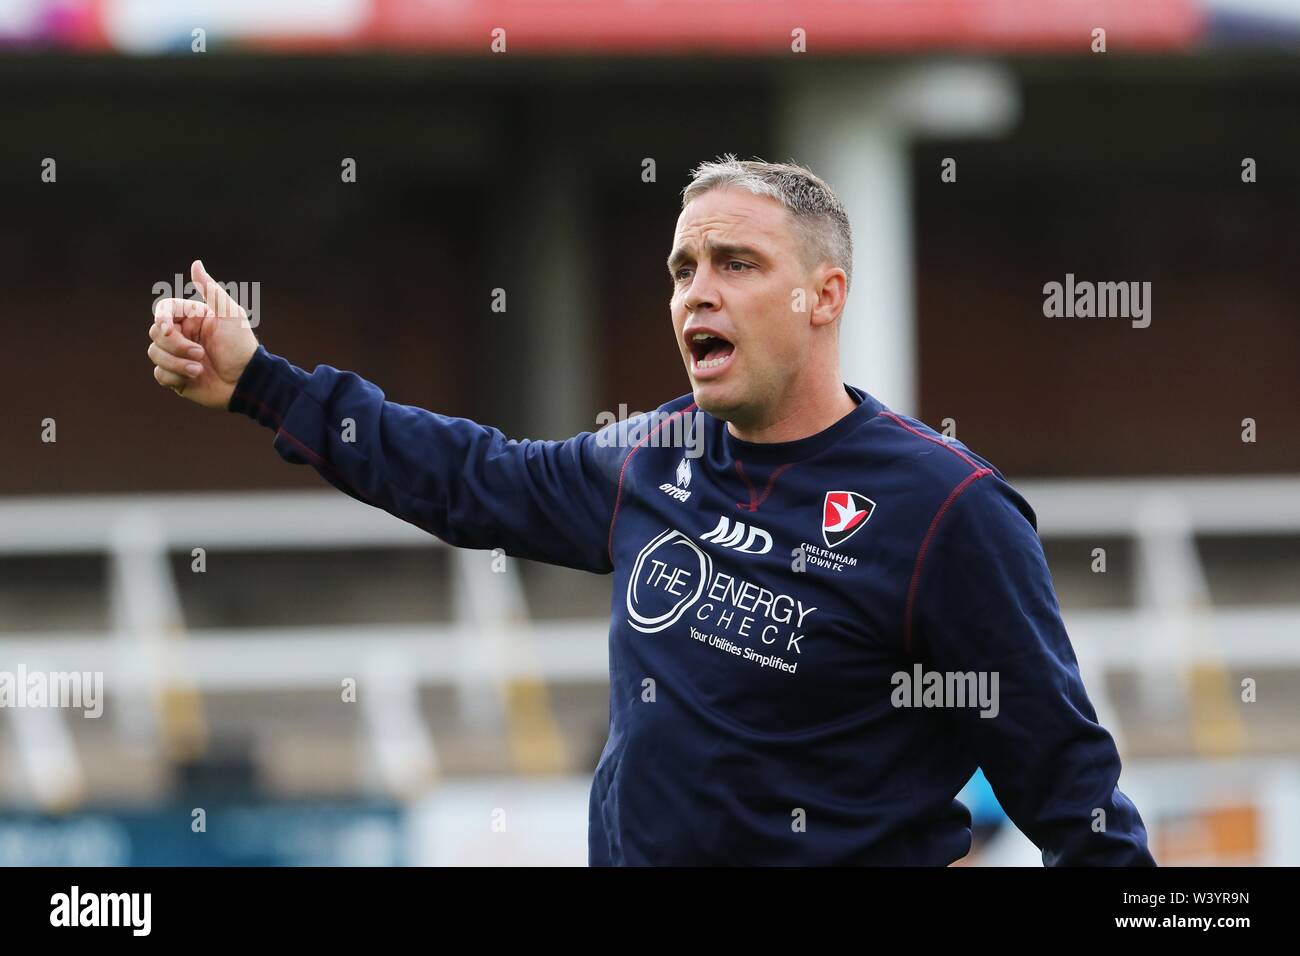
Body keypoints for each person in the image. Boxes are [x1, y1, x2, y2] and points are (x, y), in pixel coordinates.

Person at [146, 155, 1155, 866]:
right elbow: (469, 475)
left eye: (736, 264)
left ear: (824, 294)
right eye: (682, 269)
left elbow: (1074, 795)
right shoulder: (652, 452)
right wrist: (261, 383)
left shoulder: (946, 508)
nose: (694, 294)